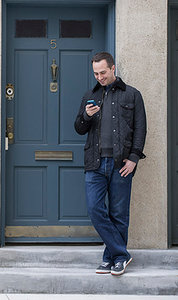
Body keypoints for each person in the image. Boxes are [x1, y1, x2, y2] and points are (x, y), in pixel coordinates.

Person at [74, 52, 147, 276]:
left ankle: (110, 258)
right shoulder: (90, 95)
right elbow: (79, 128)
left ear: (113, 68)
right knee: (95, 209)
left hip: (121, 163)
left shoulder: (132, 95)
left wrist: (134, 158)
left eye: (103, 72)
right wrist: (86, 116)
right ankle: (121, 255)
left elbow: (140, 129)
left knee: (118, 213)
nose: (99, 77)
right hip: (95, 163)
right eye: (95, 73)